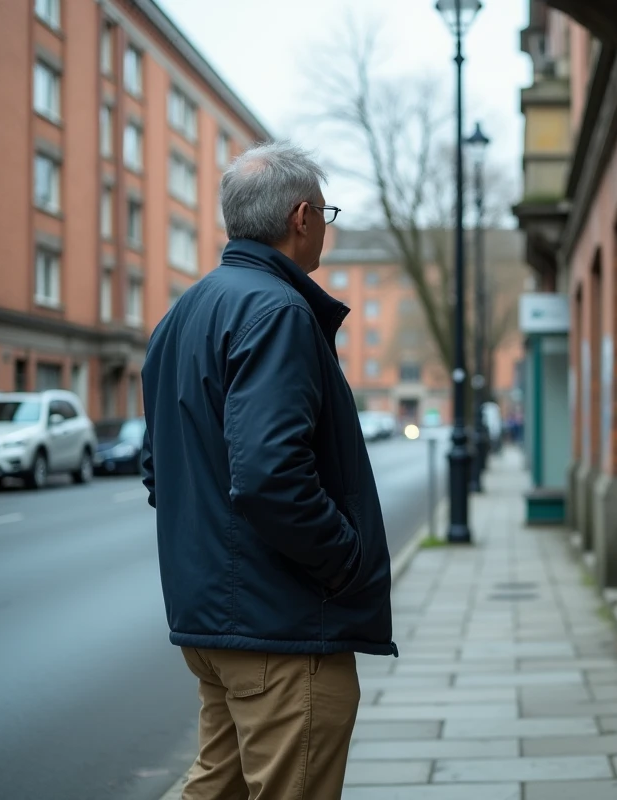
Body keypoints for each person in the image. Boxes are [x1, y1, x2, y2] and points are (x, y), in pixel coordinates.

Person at [140, 141, 395, 800]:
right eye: (327, 214)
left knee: (215, 787)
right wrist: (342, 559)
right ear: (303, 216)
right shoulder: (278, 311)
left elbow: (156, 468)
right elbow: (268, 475)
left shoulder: (182, 315)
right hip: (281, 627)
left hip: (218, 622)